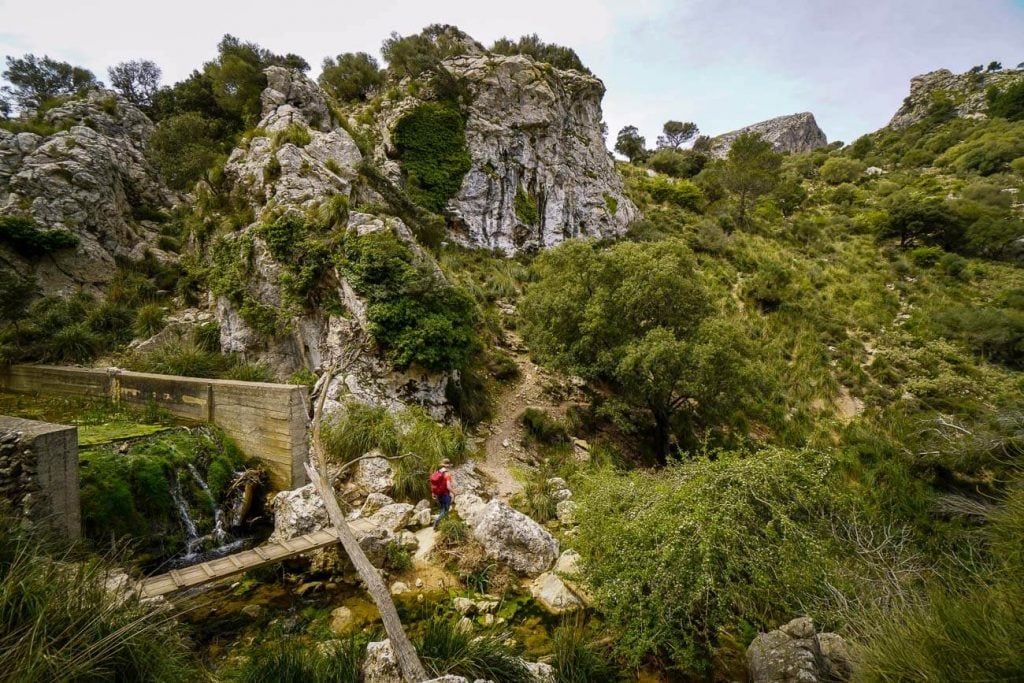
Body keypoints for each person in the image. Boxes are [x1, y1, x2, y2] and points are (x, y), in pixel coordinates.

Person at [430, 460, 454, 528]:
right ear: (447, 466)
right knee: (445, 511)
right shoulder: (447, 474)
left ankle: (445, 524)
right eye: (449, 465)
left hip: (438, 494)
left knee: (442, 509)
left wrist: (433, 493)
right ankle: (436, 522)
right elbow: (448, 487)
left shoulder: (437, 472)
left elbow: (434, 484)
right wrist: (454, 493)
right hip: (445, 495)